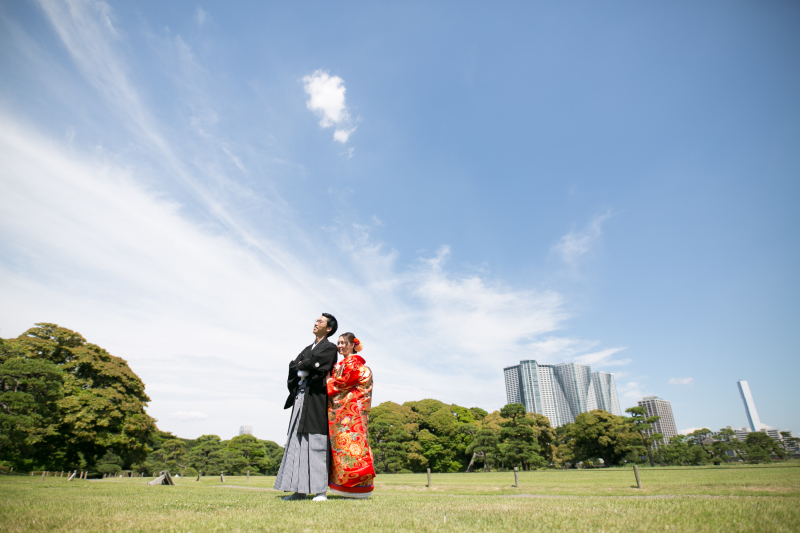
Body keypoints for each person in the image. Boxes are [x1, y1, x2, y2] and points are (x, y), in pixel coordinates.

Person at [274, 313, 338, 501]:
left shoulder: (330, 347)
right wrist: (304, 366)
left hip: (317, 398)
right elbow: (293, 365)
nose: (315, 322)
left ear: (329, 329)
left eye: (320, 321)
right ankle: (298, 490)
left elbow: (316, 366)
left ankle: (319, 491)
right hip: (301, 397)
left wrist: (305, 366)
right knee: (296, 441)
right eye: (316, 320)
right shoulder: (308, 348)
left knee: (316, 441)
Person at [326, 332, 375, 498]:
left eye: (343, 343)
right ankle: (347, 486)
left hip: (352, 411)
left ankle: (357, 487)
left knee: (354, 447)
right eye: (338, 343)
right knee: (347, 448)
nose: (340, 346)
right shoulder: (345, 363)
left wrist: (328, 382)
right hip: (348, 412)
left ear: (353, 344)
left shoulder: (353, 364)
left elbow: (343, 383)